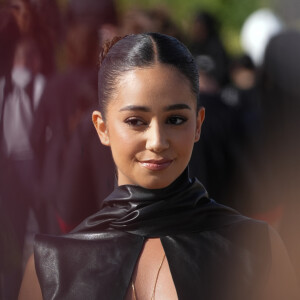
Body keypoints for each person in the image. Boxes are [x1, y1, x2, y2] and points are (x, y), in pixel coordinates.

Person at [19, 33, 298, 300]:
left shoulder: (257, 249)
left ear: (198, 123)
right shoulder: (50, 267)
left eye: (175, 120)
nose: (157, 141)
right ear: (101, 127)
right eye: (136, 121)